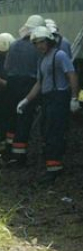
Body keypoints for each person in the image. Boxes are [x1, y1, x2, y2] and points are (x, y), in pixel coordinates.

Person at [15, 25, 79, 182]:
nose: (39, 45)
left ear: (49, 41)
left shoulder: (60, 55)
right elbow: (39, 83)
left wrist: (74, 98)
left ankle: (54, 169)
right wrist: (26, 100)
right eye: (36, 43)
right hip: (48, 99)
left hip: (59, 97)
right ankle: (52, 165)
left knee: (54, 132)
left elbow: (72, 75)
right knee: (46, 130)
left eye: (41, 42)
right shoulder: (42, 60)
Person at [5, 15, 44, 162]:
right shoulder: (37, 48)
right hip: (29, 84)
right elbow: (40, 70)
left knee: (12, 117)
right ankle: (19, 154)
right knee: (24, 119)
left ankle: (8, 149)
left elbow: (7, 67)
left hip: (12, 83)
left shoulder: (14, 44)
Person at [0, 32, 15, 156]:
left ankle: (6, 146)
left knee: (7, 120)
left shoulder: (11, 57)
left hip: (7, 96)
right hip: (4, 95)